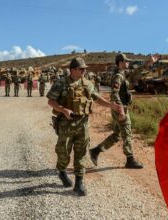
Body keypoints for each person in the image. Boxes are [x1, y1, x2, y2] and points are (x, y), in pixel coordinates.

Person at [47, 57, 123, 196]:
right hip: (66, 123)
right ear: (72, 70)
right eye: (81, 69)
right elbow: (51, 101)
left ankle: (79, 183)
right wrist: (63, 110)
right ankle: (62, 171)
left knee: (81, 152)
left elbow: (96, 97)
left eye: (85, 69)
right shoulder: (61, 83)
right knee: (63, 152)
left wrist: (111, 105)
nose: (84, 71)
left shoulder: (88, 83)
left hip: (83, 123)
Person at [89, 53, 158, 169]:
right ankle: (130, 159)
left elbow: (135, 73)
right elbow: (114, 94)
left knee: (117, 135)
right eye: (126, 61)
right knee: (127, 133)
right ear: (120, 62)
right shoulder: (118, 76)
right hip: (120, 108)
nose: (128, 63)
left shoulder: (122, 74)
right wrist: (121, 110)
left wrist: (148, 63)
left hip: (119, 108)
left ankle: (96, 151)